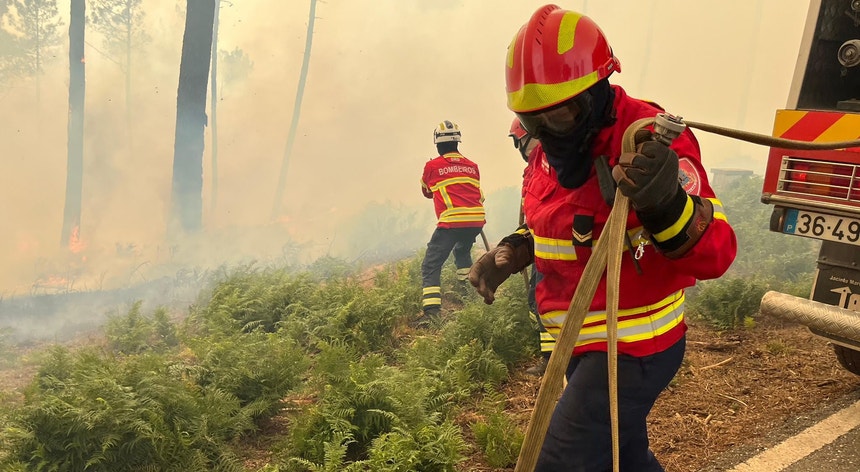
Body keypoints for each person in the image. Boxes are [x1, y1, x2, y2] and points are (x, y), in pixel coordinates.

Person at [469, 6, 737, 471]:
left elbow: (718, 252)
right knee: (627, 456)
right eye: (533, 122)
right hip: (581, 343)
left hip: (633, 346)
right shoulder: (548, 152)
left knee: (558, 462)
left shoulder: (647, 140)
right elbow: (556, 226)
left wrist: (665, 202)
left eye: (560, 115)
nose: (546, 133)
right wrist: (513, 251)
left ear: (597, 91)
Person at [418, 120, 486, 327]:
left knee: (431, 263)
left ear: (437, 144)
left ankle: (432, 313)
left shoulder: (432, 166)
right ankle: (468, 295)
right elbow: (479, 194)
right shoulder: (472, 166)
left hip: (452, 221)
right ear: (458, 142)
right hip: (476, 220)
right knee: (462, 253)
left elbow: (426, 192)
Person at [509, 118, 555, 375]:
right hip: (542, 245)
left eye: (519, 143)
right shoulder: (535, 168)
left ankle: (552, 360)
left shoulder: (551, 162)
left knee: (542, 301)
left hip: (552, 250)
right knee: (536, 300)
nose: (520, 149)